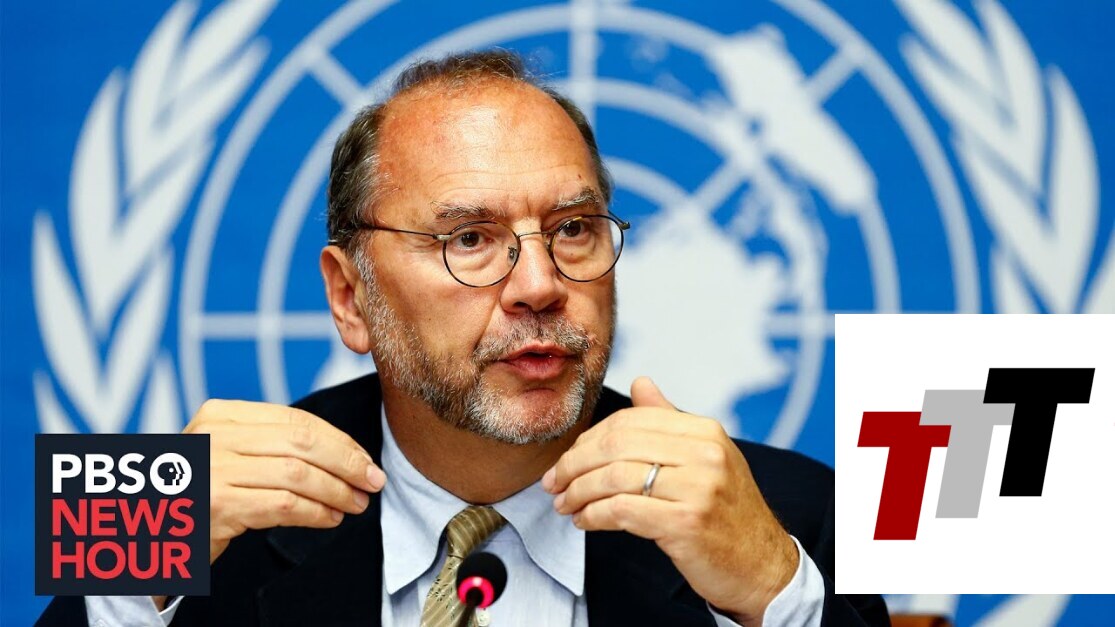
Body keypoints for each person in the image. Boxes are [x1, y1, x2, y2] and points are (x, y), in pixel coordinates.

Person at [40, 50, 888, 626]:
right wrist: (136, 572)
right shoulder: (163, 496)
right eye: (469, 239)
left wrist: (775, 596)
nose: (539, 284)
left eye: (574, 228)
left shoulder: (794, 510)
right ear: (349, 295)